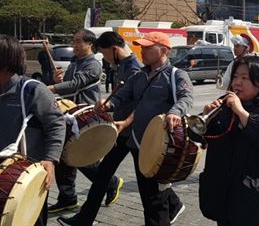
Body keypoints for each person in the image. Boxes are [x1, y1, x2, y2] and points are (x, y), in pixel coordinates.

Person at [89, 32, 191, 225]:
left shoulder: (176, 75)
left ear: (163, 50)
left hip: (160, 146)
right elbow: (122, 97)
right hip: (138, 143)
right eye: (141, 47)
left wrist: (175, 112)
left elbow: (186, 97)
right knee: (148, 198)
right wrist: (108, 104)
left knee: (157, 200)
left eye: (147, 47)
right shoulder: (139, 76)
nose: (142, 51)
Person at [58, 32, 144, 226]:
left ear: (114, 49)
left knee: (147, 179)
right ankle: (85, 218)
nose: (103, 58)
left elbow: (141, 103)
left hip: (133, 132)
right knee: (103, 174)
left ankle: (172, 204)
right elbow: (120, 98)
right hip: (120, 131)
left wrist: (118, 111)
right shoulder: (121, 66)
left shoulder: (135, 69)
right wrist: (110, 105)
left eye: (104, 53)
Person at [199, 56, 259, 226]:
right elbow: (205, 140)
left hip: (251, 194)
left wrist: (241, 112)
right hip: (223, 190)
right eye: (235, 77)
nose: (237, 82)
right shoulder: (225, 104)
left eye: (244, 78)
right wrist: (207, 118)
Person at [47, 29, 122, 213]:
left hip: (85, 116)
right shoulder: (75, 63)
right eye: (73, 41)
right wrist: (57, 79)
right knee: (65, 157)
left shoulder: (93, 65)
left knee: (81, 157)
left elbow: (76, 84)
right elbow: (69, 83)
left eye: (78, 41)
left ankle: (111, 182)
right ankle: (67, 198)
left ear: (90, 44)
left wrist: (52, 87)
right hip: (69, 114)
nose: (74, 45)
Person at [0, 35, 66, 226]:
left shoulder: (32, 90)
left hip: (22, 176)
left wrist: (50, 159)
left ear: (5, 62)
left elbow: (56, 124)